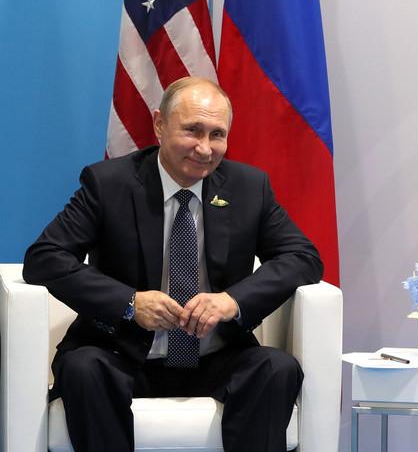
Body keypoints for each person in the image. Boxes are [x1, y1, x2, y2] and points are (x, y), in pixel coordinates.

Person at [23, 77, 323, 452]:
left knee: (277, 369)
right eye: (192, 130)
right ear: (159, 124)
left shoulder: (249, 187)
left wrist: (232, 300)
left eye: (217, 134)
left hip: (215, 357)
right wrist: (130, 303)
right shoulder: (109, 183)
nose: (205, 148)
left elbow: (303, 257)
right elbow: (44, 258)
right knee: (84, 368)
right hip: (121, 354)